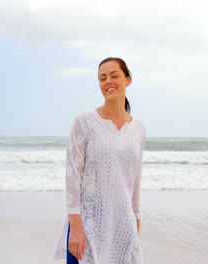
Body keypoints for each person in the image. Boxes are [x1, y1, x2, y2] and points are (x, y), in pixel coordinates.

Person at [54, 57, 147, 264]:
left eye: (114, 76)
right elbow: (72, 177)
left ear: (128, 80)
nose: (108, 82)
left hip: (122, 222)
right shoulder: (84, 122)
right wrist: (75, 227)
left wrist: (137, 219)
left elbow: (136, 180)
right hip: (88, 221)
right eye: (102, 78)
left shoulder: (139, 129)